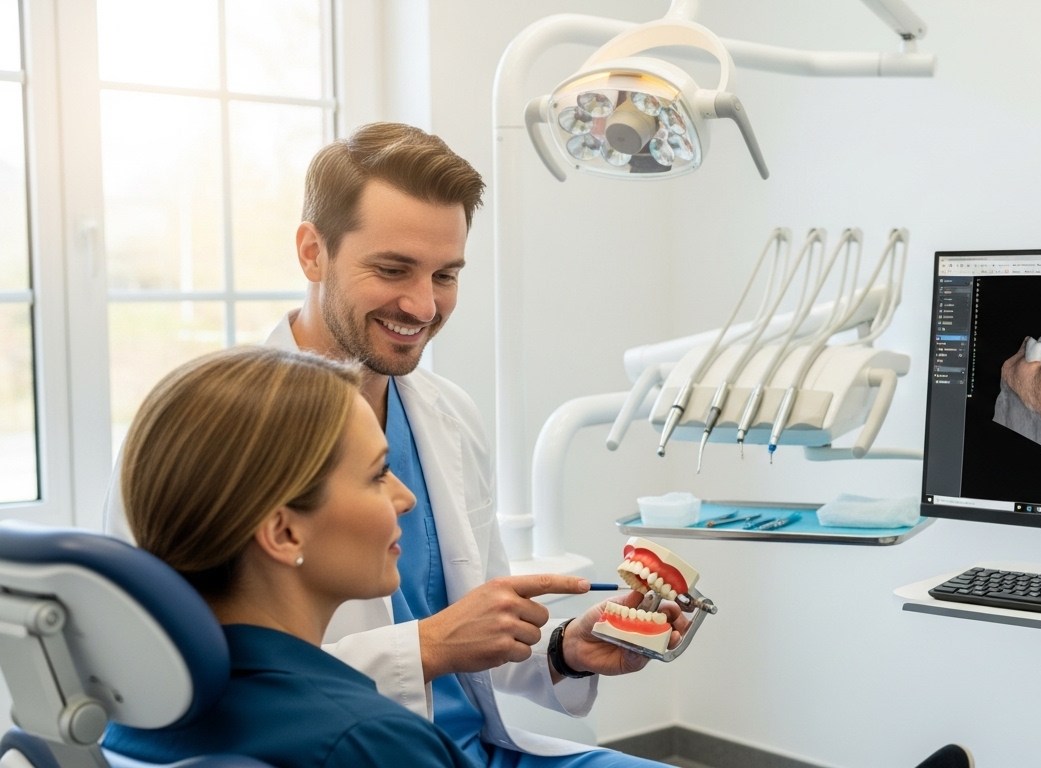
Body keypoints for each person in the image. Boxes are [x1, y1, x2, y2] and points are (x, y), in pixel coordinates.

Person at [109, 122, 683, 766]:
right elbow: (174, 685)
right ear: (312, 252)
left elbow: (478, 629)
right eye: (392, 269)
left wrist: (561, 648)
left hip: (478, 749)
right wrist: (425, 647)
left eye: (446, 274)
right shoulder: (216, 430)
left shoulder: (449, 415)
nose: (422, 305)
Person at [102, 346, 478, 765]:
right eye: (377, 475)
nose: (405, 498)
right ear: (283, 533)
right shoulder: (366, 742)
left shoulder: (123, 724)